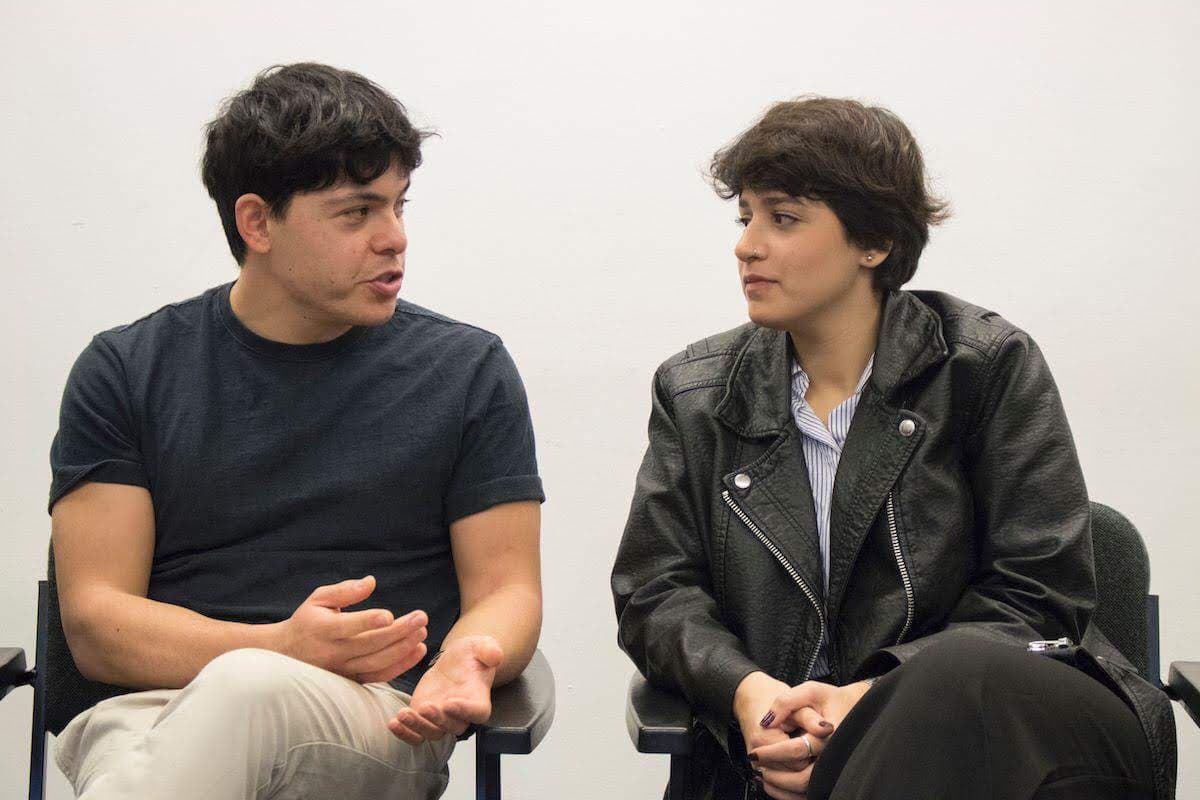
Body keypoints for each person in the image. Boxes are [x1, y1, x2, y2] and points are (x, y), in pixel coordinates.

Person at [611, 96, 1175, 800]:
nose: (747, 244)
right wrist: (750, 694)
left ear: (873, 243)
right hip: (783, 756)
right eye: (745, 216)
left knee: (949, 673)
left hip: (1002, 746)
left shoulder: (985, 366)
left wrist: (872, 698)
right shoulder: (696, 394)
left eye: (782, 218)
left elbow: (1040, 592)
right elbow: (656, 593)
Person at [48, 62, 544, 800]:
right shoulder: (127, 368)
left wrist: (473, 653)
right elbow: (95, 622)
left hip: (372, 716)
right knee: (197, 723)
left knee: (243, 696)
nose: (394, 239)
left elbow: (508, 587)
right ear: (257, 223)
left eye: (400, 207)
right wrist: (276, 644)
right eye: (357, 213)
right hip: (150, 712)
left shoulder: (466, 370)